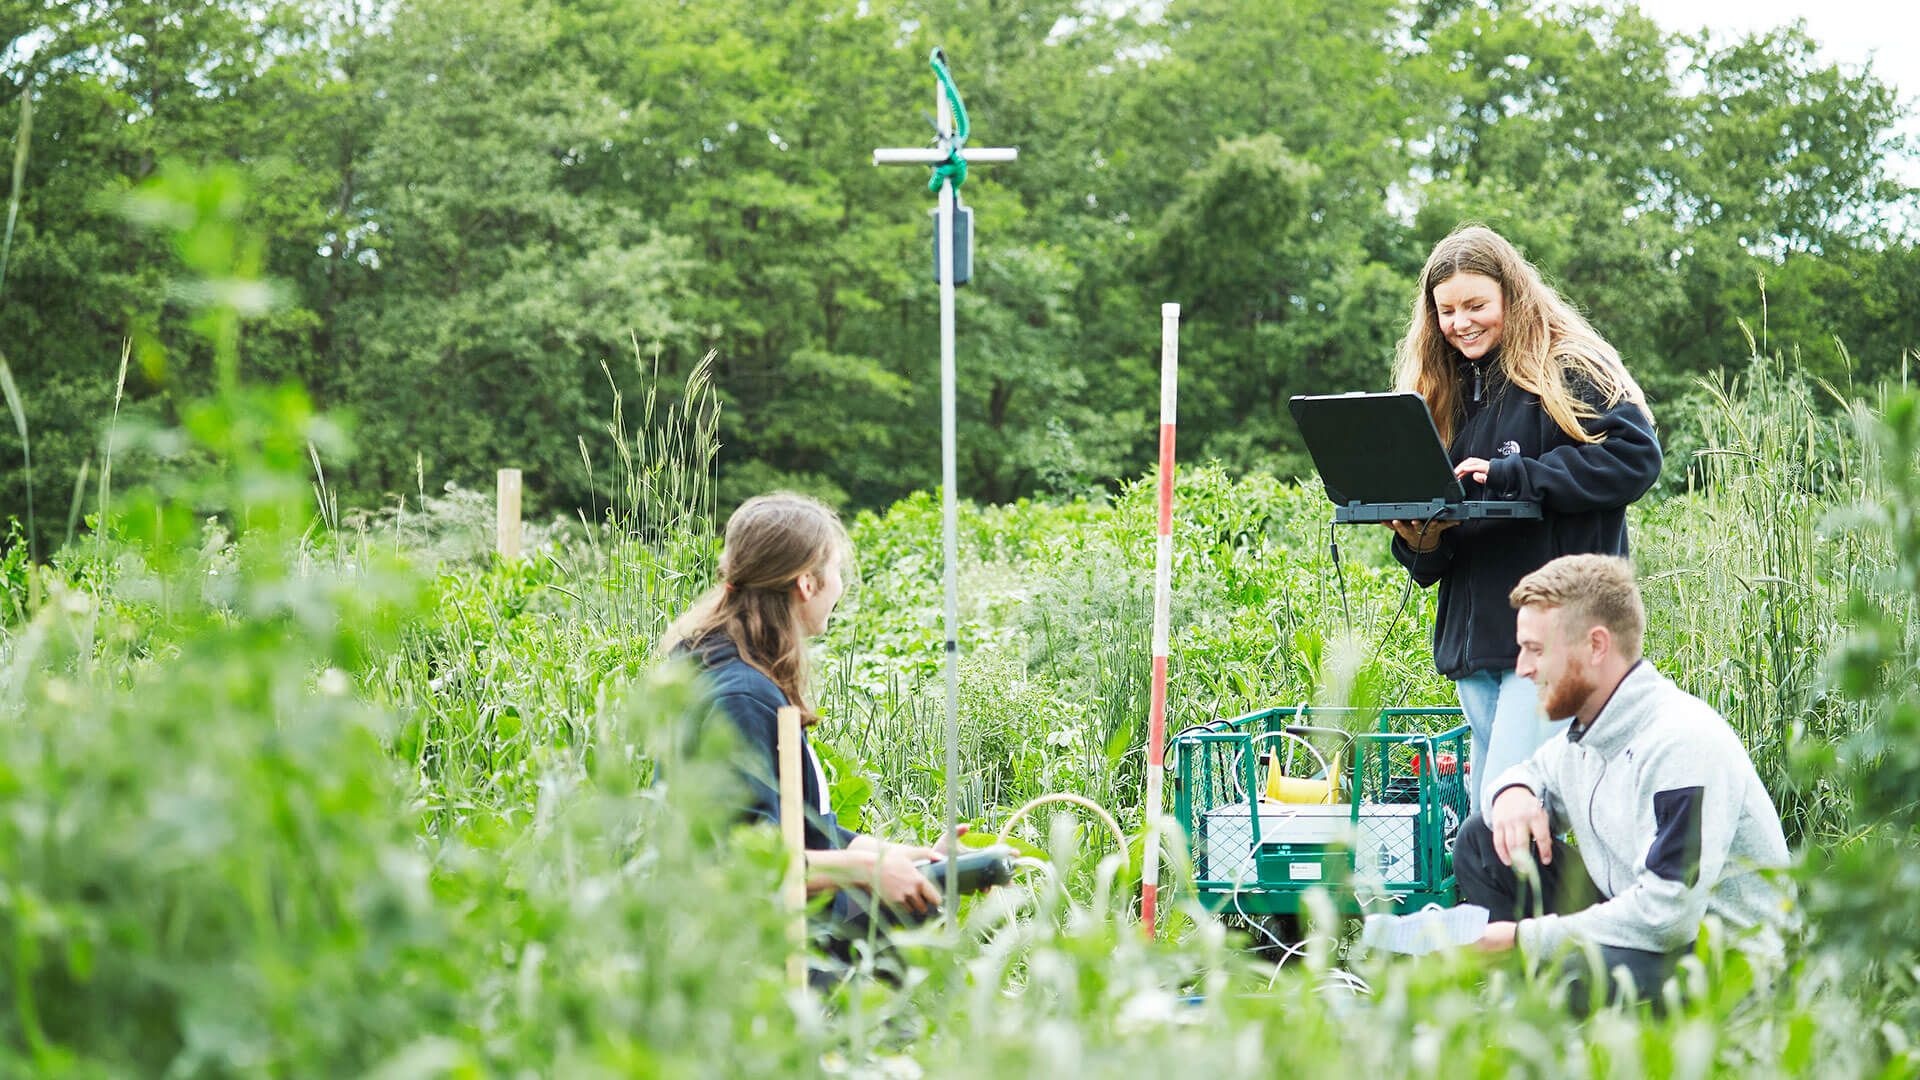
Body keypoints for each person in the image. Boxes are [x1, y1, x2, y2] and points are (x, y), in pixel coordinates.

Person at [1386, 223, 1664, 813]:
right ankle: (1533, 909)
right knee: (1500, 822)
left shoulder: (1566, 367)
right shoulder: (1444, 392)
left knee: (1503, 822)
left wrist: (1519, 474)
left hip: (1549, 639)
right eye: (1447, 310)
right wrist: (1422, 539)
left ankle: (1555, 907)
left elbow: (1635, 460)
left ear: (1512, 294)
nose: (1461, 322)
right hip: (1473, 646)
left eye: (1476, 305)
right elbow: (1444, 552)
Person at [1455, 555, 1791, 1008]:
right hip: (1645, 933)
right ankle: (1535, 1004)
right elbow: (1536, 773)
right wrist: (1513, 792)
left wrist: (1524, 940)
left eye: (1536, 649)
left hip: (1722, 964)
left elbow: (1666, 914)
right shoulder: (1588, 731)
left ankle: (1541, 1016)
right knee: (1484, 839)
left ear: (1596, 646)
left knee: (1565, 973)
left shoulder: (1682, 743)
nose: (1522, 668)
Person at [662, 492, 958, 977]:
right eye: (836, 570)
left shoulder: (718, 661)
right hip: (752, 963)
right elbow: (739, 863)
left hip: (750, 938)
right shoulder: (739, 697)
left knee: (917, 901)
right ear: (806, 583)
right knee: (908, 937)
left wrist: (900, 857)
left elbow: (787, 830)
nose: (840, 587)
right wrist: (866, 872)